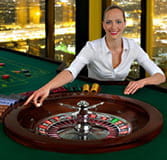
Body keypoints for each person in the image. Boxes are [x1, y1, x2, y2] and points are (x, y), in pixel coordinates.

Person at [24, 5, 166, 107]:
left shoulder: (133, 46)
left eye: (118, 22)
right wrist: (47, 88)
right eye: (109, 22)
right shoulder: (91, 47)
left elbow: (160, 76)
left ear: (124, 24)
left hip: (121, 97)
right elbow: (71, 72)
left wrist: (141, 82)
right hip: (93, 97)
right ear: (103, 25)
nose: (113, 27)